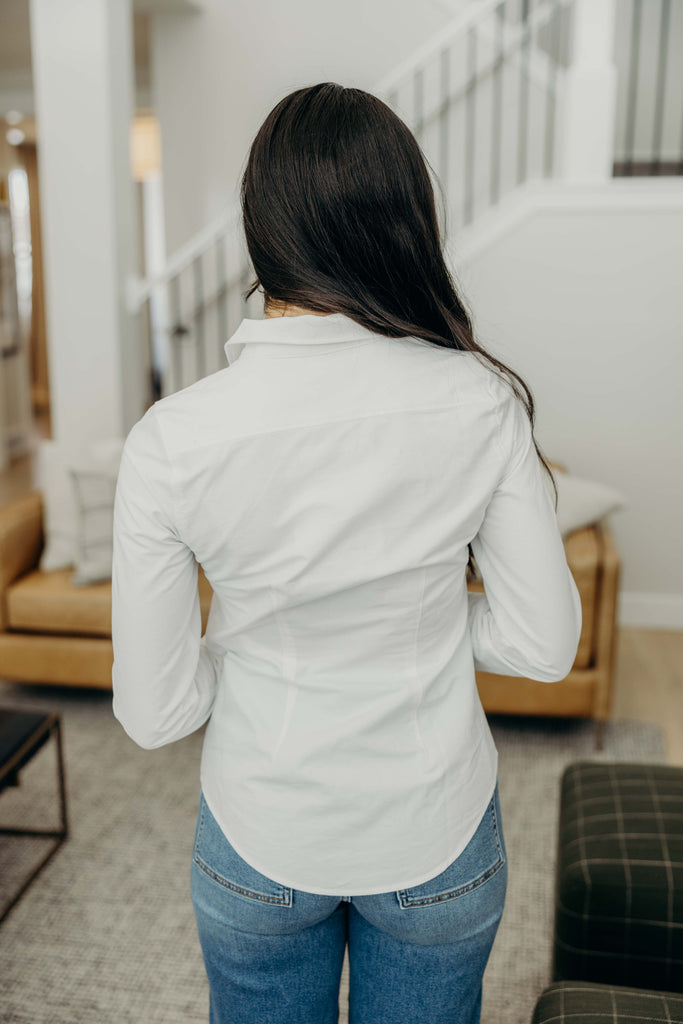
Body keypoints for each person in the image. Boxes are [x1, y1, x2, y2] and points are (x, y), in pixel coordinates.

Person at [111, 82, 582, 1024]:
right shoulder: (478, 401)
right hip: (434, 829)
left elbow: (155, 713)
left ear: (261, 231)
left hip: (261, 828)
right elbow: (541, 645)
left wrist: (247, 647)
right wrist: (430, 624)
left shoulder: (173, 438)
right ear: (404, 221)